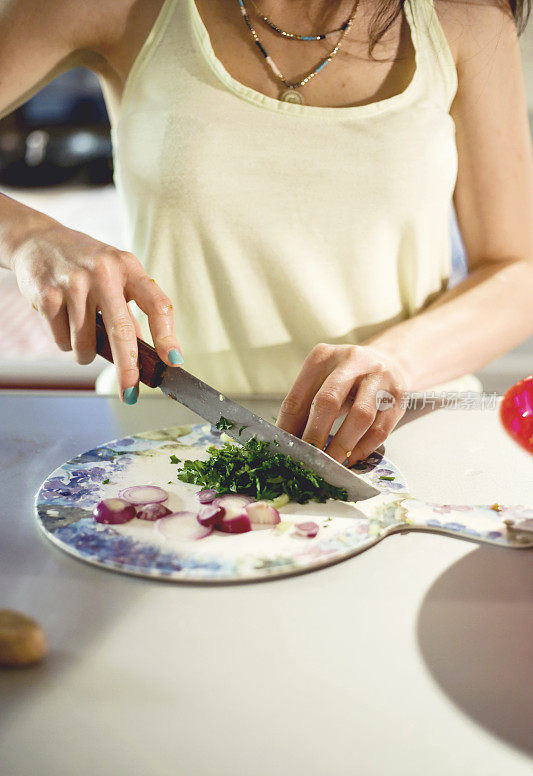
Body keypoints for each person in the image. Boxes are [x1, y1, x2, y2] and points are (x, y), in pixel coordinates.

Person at [0, 0, 532, 467]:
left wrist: (400, 360)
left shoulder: (468, 16)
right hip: (164, 451)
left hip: (407, 443)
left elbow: (516, 270)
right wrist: (26, 236)